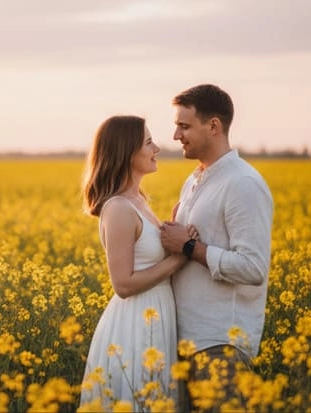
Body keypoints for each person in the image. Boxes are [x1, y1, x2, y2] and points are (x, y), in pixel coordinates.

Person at [159, 84, 274, 411]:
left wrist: (191, 247)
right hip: (185, 342)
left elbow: (253, 268)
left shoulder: (243, 184)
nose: (175, 135)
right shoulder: (195, 180)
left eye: (184, 126)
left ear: (213, 126)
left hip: (220, 343)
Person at [79, 115, 193, 412]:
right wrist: (181, 257)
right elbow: (123, 284)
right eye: (148, 142)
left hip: (155, 315)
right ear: (126, 152)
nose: (156, 147)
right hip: (135, 323)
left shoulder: (139, 200)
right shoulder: (118, 207)